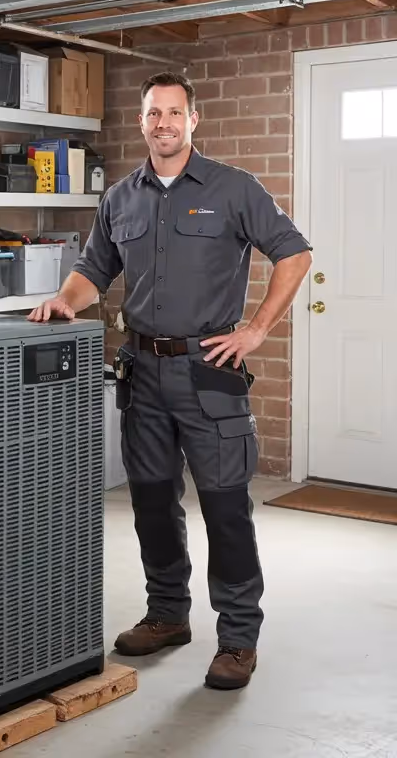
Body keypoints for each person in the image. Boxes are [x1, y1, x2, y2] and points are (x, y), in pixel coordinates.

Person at [28, 71, 312, 690]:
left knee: (225, 508)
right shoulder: (120, 198)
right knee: (153, 504)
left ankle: (237, 637)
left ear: (193, 120)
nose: (163, 123)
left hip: (211, 373)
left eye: (174, 113)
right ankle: (167, 615)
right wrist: (64, 301)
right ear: (142, 121)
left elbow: (295, 253)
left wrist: (257, 329)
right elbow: (92, 270)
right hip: (143, 374)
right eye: (153, 113)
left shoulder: (234, 188)